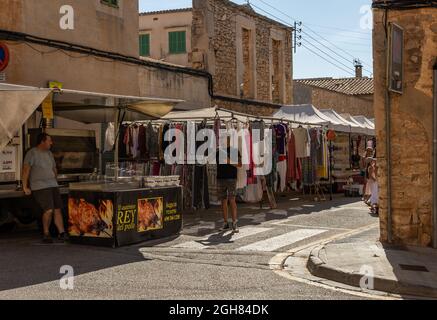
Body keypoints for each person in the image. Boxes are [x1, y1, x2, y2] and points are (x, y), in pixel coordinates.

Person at [22, 133, 68, 244]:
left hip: (53, 184)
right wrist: (25, 187)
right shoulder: (32, 153)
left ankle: (62, 233)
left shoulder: (49, 153)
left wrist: (55, 181)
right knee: (48, 210)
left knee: (57, 209)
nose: (51, 143)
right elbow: (26, 170)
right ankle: (46, 233)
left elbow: (54, 168)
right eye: (49, 141)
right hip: (40, 186)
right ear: (42, 142)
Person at [216, 137, 242, 233]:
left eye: (223, 140)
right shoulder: (218, 152)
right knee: (223, 201)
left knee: (232, 200)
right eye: (220, 140)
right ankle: (225, 223)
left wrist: (229, 161)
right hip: (220, 178)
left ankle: (234, 223)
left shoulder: (234, 151)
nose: (221, 141)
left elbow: (240, 164)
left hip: (231, 178)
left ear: (228, 140)